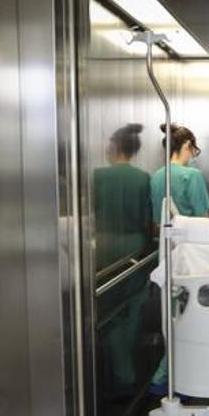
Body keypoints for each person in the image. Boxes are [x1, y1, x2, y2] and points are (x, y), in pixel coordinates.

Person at [149, 123, 209, 395]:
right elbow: (203, 223)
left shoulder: (157, 176)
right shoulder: (191, 176)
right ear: (186, 146)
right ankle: (169, 378)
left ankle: (165, 377)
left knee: (171, 318)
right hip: (191, 255)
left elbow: (155, 222)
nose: (193, 155)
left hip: (165, 254)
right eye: (193, 149)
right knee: (188, 318)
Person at [92, 125, 154, 395]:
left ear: (115, 147)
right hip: (134, 246)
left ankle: (118, 374)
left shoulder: (98, 176)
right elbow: (148, 220)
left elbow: (90, 212)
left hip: (105, 246)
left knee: (109, 311)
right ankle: (127, 372)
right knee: (132, 308)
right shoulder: (143, 179)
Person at [150, 123, 209, 221]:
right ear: (188, 145)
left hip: (162, 235)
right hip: (190, 235)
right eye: (194, 148)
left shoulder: (156, 176)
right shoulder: (193, 175)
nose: (194, 153)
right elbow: (203, 218)